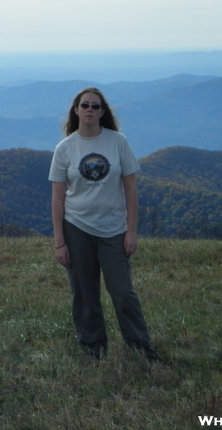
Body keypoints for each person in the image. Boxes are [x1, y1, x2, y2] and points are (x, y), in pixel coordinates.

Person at [48, 87, 160, 362]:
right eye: (84, 105)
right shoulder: (65, 148)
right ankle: (93, 352)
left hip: (113, 229)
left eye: (95, 106)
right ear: (76, 111)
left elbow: (131, 189)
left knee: (123, 294)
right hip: (76, 228)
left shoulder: (117, 141)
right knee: (85, 296)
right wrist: (60, 242)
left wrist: (131, 231)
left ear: (102, 112)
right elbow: (57, 197)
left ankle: (141, 351)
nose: (90, 110)